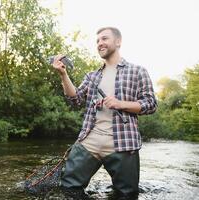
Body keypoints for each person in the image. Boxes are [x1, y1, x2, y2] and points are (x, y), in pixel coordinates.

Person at [52, 27, 157, 199]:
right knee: (69, 189)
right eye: (98, 41)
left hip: (123, 144)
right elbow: (76, 99)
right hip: (89, 141)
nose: (100, 43)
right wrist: (63, 74)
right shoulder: (92, 76)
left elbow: (151, 104)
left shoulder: (138, 71)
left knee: (127, 195)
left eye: (104, 39)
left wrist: (120, 103)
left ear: (118, 41)